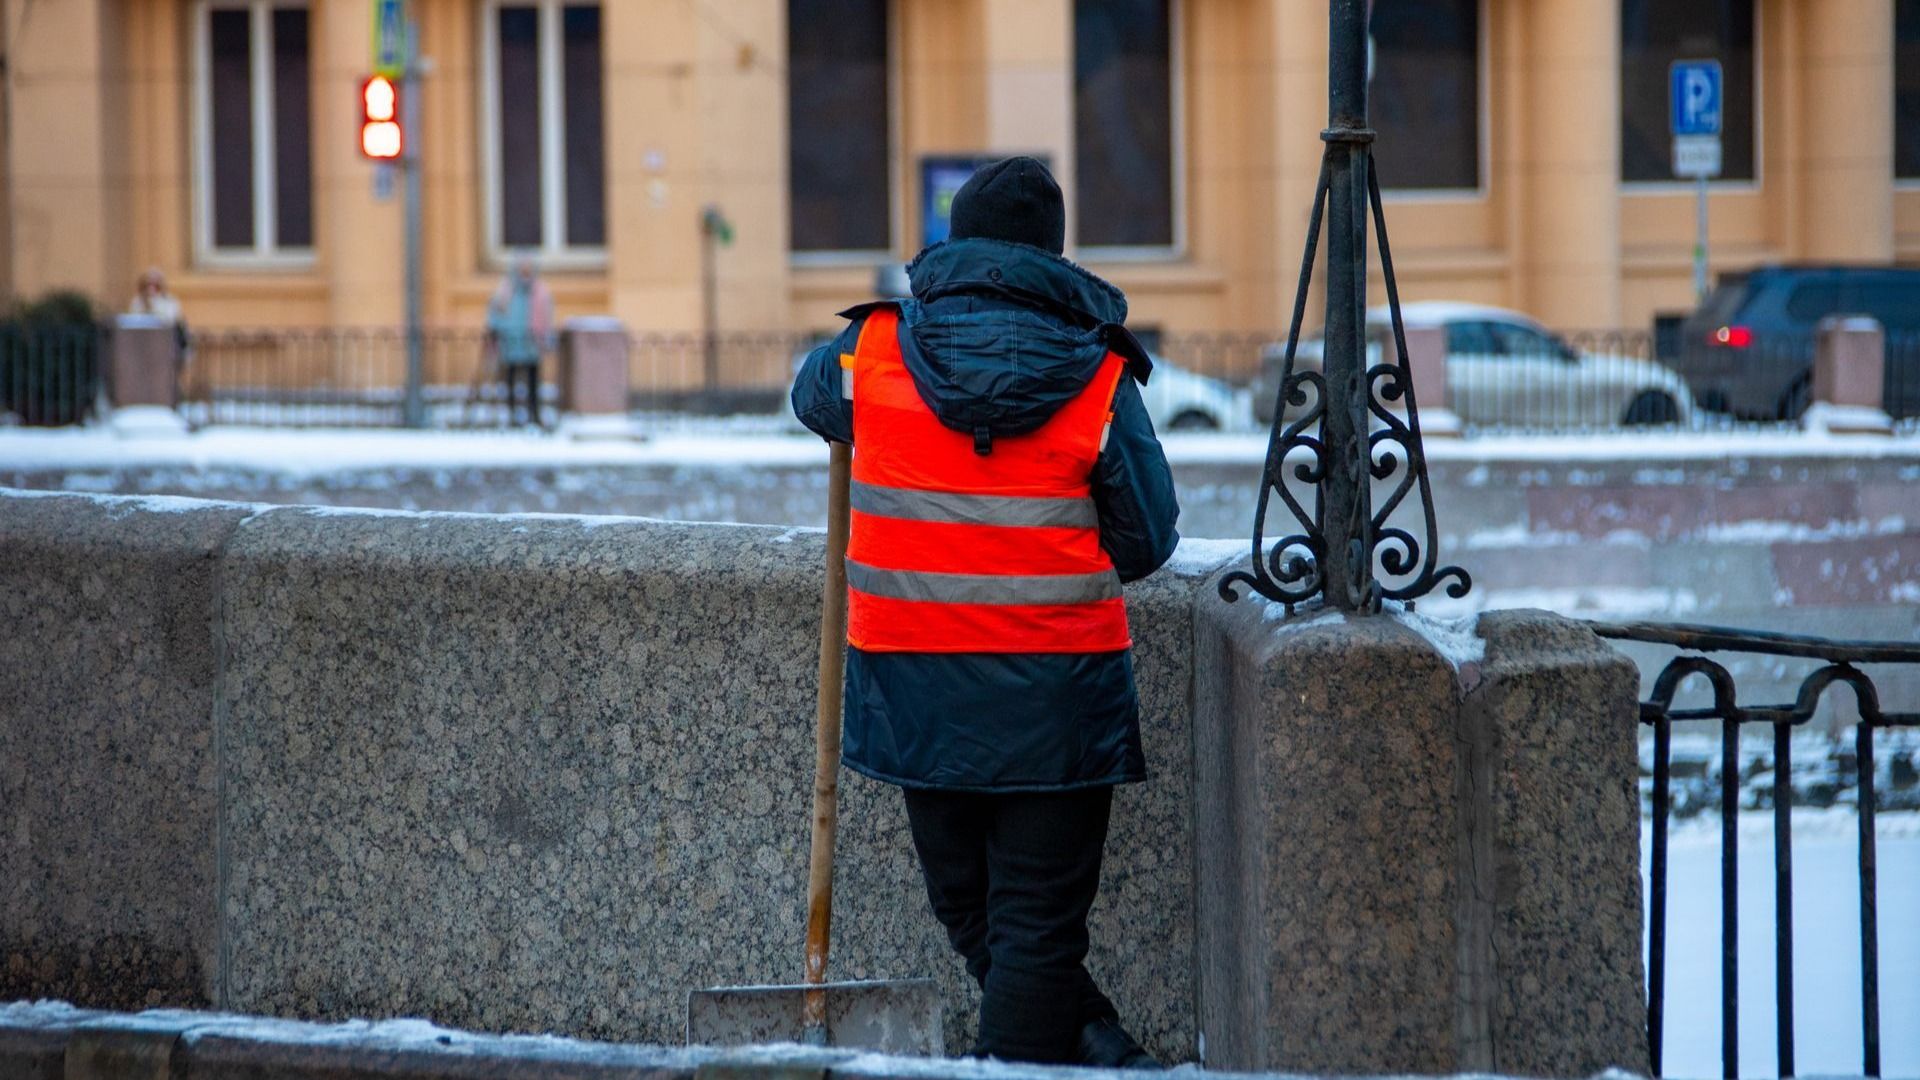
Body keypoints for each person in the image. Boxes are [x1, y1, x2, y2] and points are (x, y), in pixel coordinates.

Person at [790, 156, 1179, 1066]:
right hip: (1057, 692)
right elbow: (1149, 542)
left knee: (972, 909)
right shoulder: (1096, 377)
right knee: (1034, 926)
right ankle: (1077, 1044)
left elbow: (812, 398)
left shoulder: (869, 353)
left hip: (914, 683)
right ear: (1052, 251)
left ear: (954, 241)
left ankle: (1091, 1041)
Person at [485, 257, 555, 427]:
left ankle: (534, 414)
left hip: (531, 343)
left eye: (528, 268)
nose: (525, 271)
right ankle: (511, 416)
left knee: (533, 382)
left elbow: (547, 317)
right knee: (510, 379)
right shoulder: (506, 290)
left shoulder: (539, 291)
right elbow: (495, 312)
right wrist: (496, 330)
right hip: (511, 342)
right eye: (522, 268)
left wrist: (546, 337)